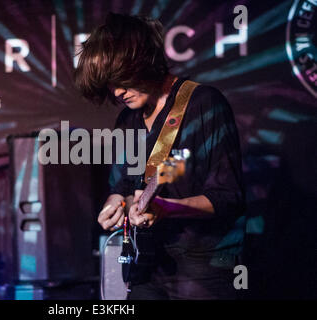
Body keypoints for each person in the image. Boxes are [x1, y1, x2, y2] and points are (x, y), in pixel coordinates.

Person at [74, 13, 245, 299]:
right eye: (110, 85)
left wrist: (168, 208)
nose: (117, 92)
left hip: (203, 265)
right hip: (147, 265)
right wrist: (113, 205)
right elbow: (123, 188)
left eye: (121, 81)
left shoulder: (204, 104)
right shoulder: (127, 121)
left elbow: (227, 197)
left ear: (143, 60)